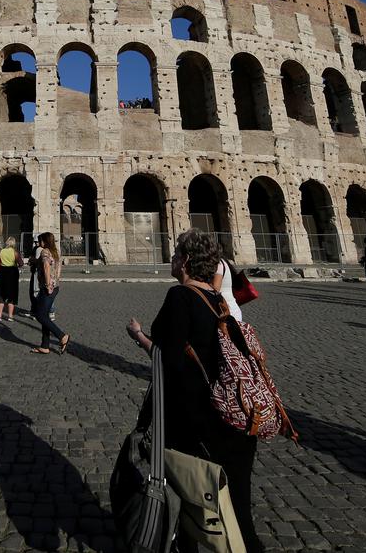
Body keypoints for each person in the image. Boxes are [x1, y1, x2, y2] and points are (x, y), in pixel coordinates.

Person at [125, 229, 266, 551]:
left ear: (186, 261)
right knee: (238, 510)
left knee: (186, 500)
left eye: (176, 254)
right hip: (236, 415)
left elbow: (165, 357)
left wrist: (138, 336)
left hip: (199, 419)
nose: (171, 259)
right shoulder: (219, 300)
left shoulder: (181, 296)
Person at [30, 232, 70, 355]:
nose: (39, 243)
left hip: (48, 287)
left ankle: (62, 336)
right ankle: (45, 345)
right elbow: (58, 269)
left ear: (45, 241)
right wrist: (55, 280)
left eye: (41, 240)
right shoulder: (55, 251)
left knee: (39, 315)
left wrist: (48, 285)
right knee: (44, 315)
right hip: (55, 286)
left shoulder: (45, 252)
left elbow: (47, 267)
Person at [0, 236, 23, 323]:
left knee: (1, 293)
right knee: (12, 294)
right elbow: (21, 263)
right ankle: (10, 316)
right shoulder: (15, 252)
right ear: (13, 243)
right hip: (12, 273)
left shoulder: (1, 252)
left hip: (2, 272)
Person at [211, 256, 244, 323]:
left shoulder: (218, 263)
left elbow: (215, 289)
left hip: (228, 313)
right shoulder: (221, 262)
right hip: (227, 310)